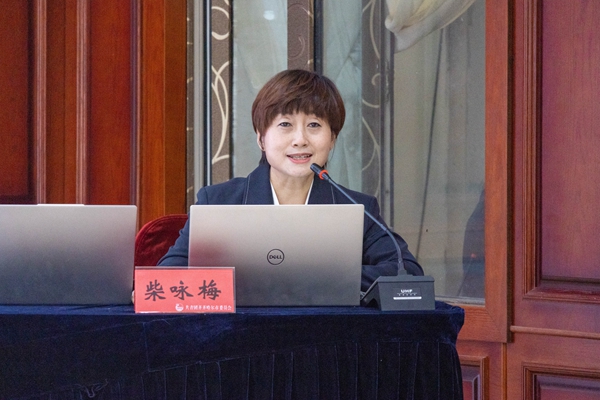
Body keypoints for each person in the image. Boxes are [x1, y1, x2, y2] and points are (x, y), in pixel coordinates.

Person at [158, 69, 423, 291]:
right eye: (285, 124)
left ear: (332, 139)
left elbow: (407, 271)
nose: (300, 139)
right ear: (261, 138)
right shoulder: (218, 202)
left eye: (314, 125)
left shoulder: (358, 209)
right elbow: (167, 276)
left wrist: (314, 278)